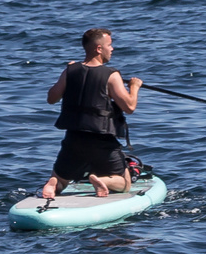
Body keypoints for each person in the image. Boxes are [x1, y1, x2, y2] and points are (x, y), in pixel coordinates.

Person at [41, 28, 142, 199]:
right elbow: (129, 107)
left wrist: (70, 73)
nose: (112, 49)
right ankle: (102, 180)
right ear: (98, 49)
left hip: (73, 139)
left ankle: (54, 183)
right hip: (101, 141)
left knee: (62, 178)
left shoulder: (70, 71)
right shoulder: (112, 75)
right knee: (125, 184)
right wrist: (134, 86)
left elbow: (51, 98)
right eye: (109, 45)